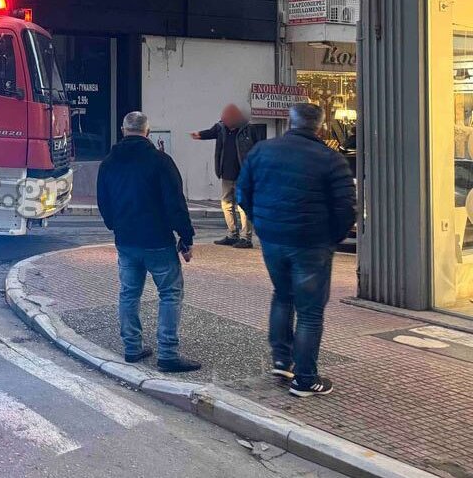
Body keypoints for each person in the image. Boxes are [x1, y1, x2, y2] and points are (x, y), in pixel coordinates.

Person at [236, 103, 355, 398]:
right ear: (320, 126)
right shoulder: (331, 159)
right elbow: (346, 208)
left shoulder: (261, 151)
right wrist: (333, 238)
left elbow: (242, 193)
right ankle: (305, 379)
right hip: (312, 243)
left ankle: (281, 360)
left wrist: (261, 223)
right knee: (310, 312)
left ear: (290, 123)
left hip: (273, 239)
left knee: (282, 295)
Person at [97, 111, 200, 373]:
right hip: (158, 240)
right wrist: (186, 237)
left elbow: (103, 202)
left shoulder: (108, 162)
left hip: (126, 240)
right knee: (170, 294)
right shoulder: (161, 161)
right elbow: (175, 203)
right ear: (148, 132)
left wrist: (115, 226)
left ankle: (132, 347)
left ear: (123, 130)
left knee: (129, 293)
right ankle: (168, 354)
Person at [191, 104, 264, 249]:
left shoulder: (248, 129)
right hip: (226, 174)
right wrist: (198, 135)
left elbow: (258, 148)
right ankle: (232, 235)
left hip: (243, 175)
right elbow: (210, 133)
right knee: (226, 204)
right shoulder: (221, 128)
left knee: (243, 206)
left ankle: (246, 238)